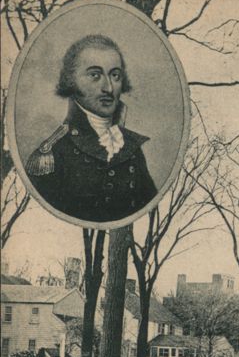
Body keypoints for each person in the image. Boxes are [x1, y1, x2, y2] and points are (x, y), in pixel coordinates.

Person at [26, 34, 157, 223]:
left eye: (115, 75)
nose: (108, 88)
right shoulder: (53, 153)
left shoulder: (132, 149)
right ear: (72, 82)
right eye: (95, 75)